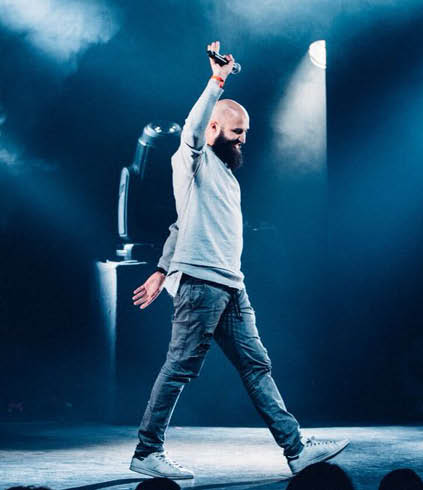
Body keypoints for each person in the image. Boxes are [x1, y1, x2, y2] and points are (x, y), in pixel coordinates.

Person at [128, 41, 349, 480]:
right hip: (201, 285)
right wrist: (217, 80)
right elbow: (192, 126)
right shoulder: (191, 159)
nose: (244, 138)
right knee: (180, 367)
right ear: (213, 128)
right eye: (236, 131)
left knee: (256, 365)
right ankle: (147, 451)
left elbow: (181, 225)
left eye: (246, 132)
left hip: (230, 285)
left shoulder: (224, 174)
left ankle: (296, 449)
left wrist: (160, 269)